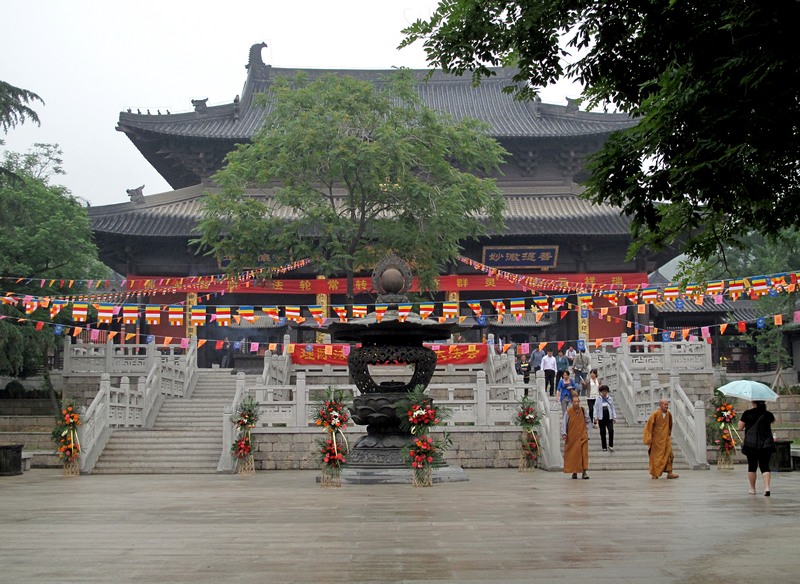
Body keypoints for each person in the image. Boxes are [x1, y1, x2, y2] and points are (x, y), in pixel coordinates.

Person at [738, 400, 776, 496]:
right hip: (766, 443)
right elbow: (773, 421)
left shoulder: (747, 413)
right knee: (765, 466)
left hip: (751, 444)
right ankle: (767, 488)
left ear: (753, 402)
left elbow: (740, 427)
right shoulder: (768, 414)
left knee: (752, 466)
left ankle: (752, 489)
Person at [643, 399, 679, 479]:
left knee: (670, 455)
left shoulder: (669, 414)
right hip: (656, 440)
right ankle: (654, 474)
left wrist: (668, 435)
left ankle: (670, 472)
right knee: (656, 457)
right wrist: (648, 438)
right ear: (660, 405)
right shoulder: (655, 414)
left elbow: (670, 426)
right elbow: (649, 427)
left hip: (666, 439)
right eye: (665, 404)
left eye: (667, 404)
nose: (666, 406)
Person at [562, 394, 590, 479]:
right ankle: (574, 472)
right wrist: (564, 433)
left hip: (582, 435)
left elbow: (588, 421)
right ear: (572, 402)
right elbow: (564, 423)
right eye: (575, 402)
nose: (576, 403)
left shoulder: (583, 410)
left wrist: (588, 433)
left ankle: (584, 472)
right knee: (573, 454)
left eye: (578, 401)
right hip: (572, 436)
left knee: (583, 454)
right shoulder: (568, 412)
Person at [593, 384, 616, 451]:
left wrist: (614, 417)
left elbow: (612, 408)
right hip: (601, 417)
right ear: (601, 392)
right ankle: (604, 446)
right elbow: (595, 408)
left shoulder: (610, 399)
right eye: (603, 391)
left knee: (611, 430)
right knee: (602, 432)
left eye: (606, 391)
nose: (604, 393)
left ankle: (611, 445)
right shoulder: (598, 399)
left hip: (609, 417)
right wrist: (595, 417)